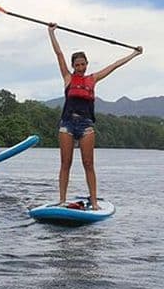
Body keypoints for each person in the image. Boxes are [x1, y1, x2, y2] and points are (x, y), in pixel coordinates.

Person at [48, 23, 143, 209]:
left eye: (83, 64)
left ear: (86, 64)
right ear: (73, 66)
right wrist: (51, 32)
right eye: (77, 65)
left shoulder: (93, 79)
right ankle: (61, 200)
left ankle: (94, 202)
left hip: (86, 125)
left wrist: (134, 54)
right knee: (65, 163)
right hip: (67, 123)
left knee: (88, 164)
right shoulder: (68, 78)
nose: (80, 67)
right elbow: (59, 54)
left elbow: (115, 65)